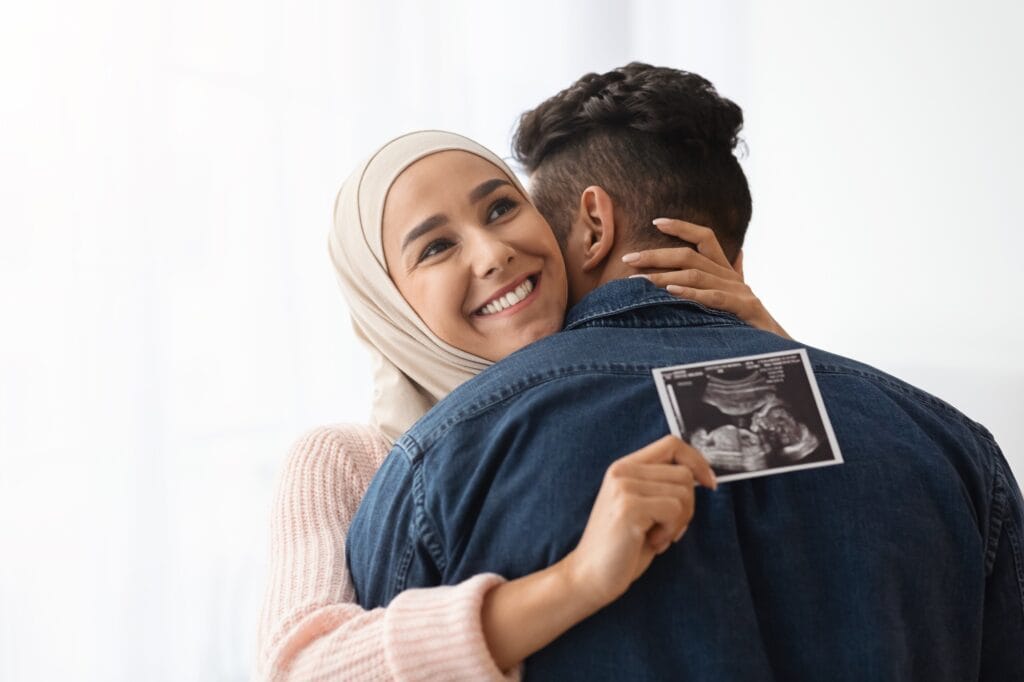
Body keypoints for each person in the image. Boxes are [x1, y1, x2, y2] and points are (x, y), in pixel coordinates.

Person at [346, 64, 1024, 680]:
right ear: (734, 245)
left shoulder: (441, 461)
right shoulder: (947, 444)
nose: (500, 257)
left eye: (511, 212)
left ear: (591, 224)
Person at [255, 130, 787, 678]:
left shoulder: (623, 393)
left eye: (502, 207)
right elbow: (302, 668)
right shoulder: (345, 460)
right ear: (387, 305)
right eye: (436, 247)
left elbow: (785, 517)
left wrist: (762, 344)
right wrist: (576, 581)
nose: (493, 253)